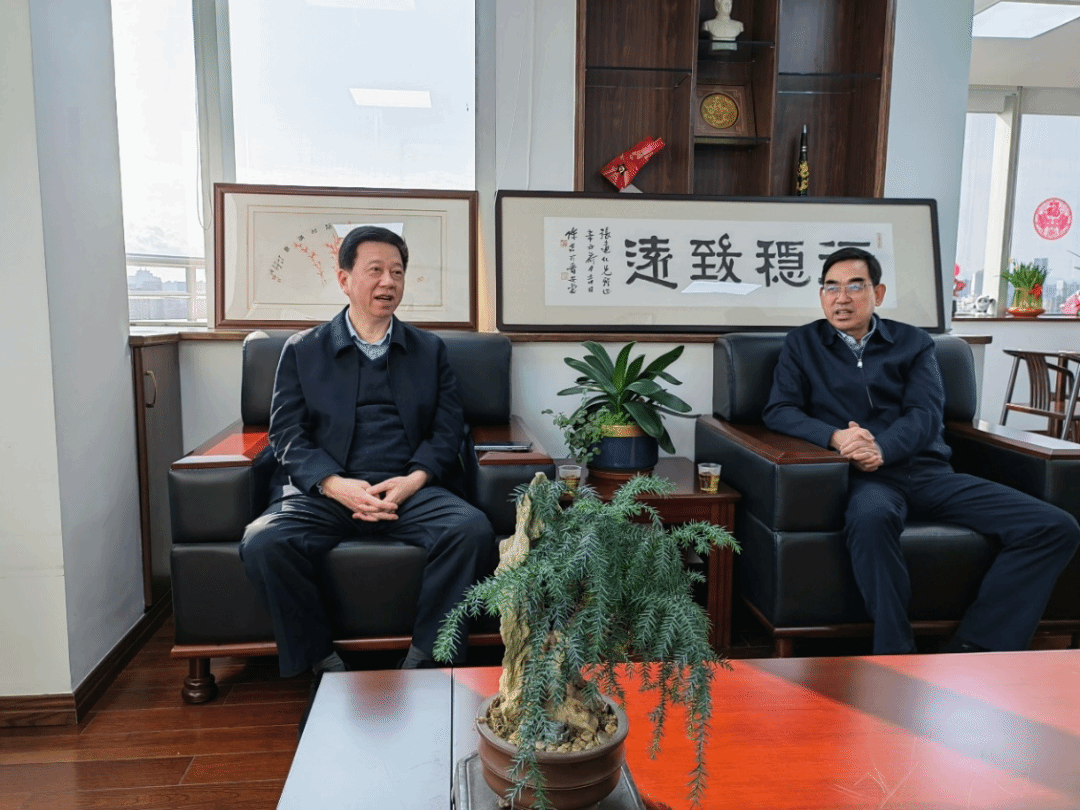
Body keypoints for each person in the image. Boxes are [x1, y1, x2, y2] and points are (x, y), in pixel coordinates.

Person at [763, 246, 1079, 655]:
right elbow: (780, 410)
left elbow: (925, 414)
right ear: (821, 295)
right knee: (870, 518)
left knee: (1054, 527)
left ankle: (977, 648)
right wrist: (836, 437)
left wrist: (881, 447)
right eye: (831, 288)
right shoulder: (802, 344)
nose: (841, 298)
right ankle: (896, 652)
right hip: (867, 480)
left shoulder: (913, 342)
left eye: (855, 287)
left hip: (927, 473)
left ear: (878, 293)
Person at [240, 225, 496, 721]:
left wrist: (414, 480)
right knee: (263, 540)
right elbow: (286, 433)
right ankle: (321, 662)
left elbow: (447, 430)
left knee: (471, 529)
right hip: (328, 491)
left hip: (410, 488)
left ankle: (427, 661)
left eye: (396, 272)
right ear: (344, 279)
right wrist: (334, 484)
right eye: (375, 270)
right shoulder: (304, 350)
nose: (388, 282)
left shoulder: (428, 350)